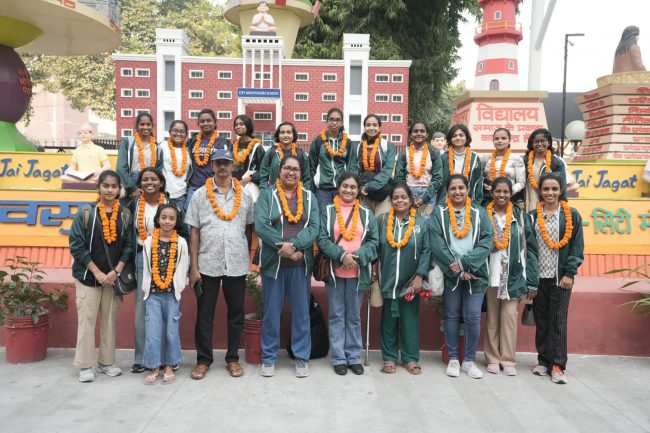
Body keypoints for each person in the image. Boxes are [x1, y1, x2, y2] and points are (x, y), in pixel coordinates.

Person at [185, 148, 255, 380]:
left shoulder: (245, 195)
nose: (223, 167)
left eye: (226, 162)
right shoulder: (199, 195)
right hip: (207, 263)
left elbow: (249, 228)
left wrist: (243, 253)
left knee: (236, 313)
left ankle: (233, 358)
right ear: (212, 166)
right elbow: (194, 231)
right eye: (218, 163)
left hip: (236, 263)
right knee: (205, 314)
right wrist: (193, 267)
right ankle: (203, 360)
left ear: (233, 166)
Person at [254, 155, 320, 378]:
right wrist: (285, 248)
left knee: (301, 313)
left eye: (296, 169)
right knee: (271, 313)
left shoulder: (309, 197)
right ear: (279, 170)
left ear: (301, 173)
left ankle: (301, 357)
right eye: (287, 168)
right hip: (274, 265)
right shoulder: (267, 195)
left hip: (300, 265)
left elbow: (314, 227)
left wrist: (295, 245)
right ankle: (269, 357)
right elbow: (261, 225)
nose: (291, 172)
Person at [68, 170, 135, 382]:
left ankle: (106, 362)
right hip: (88, 278)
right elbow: (76, 246)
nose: (110, 190)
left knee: (109, 321)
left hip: (112, 279)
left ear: (119, 189)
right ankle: (85, 365)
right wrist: (97, 272)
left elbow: (129, 246)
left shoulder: (125, 215)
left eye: (114, 186)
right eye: (105, 185)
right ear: (99, 187)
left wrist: (116, 271)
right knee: (86, 322)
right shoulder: (86, 213)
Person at [430, 174, 494, 379]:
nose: (457, 192)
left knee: (472, 316)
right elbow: (437, 244)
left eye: (461, 188)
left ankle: (469, 360)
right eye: (453, 188)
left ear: (468, 189)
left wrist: (466, 264)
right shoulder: (439, 213)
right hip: (451, 273)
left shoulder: (479, 212)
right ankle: (454, 359)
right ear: (447, 192)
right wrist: (457, 269)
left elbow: (487, 240)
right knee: (451, 315)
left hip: (476, 274)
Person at [317, 172, 378, 375]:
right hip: (334, 272)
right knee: (336, 315)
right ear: (338, 187)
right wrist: (342, 255)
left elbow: (374, 242)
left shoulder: (366, 213)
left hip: (357, 273)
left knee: (354, 317)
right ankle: (338, 358)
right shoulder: (327, 211)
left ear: (358, 190)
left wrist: (357, 256)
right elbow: (322, 238)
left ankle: (353, 357)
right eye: (345, 186)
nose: (348, 190)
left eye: (352, 187)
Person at [128, 168, 187, 374]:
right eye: (145, 179)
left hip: (169, 257)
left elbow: (183, 230)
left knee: (168, 312)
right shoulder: (134, 204)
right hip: (143, 257)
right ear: (140, 184)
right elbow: (128, 233)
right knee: (143, 309)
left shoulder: (171, 204)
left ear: (161, 182)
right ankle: (142, 358)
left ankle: (166, 358)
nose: (149, 183)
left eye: (154, 179)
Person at [530, 173, 584, 384]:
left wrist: (569, 273)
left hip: (560, 278)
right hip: (538, 277)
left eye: (554, 189)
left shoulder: (571, 215)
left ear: (561, 190)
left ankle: (558, 365)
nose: (550, 193)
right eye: (546, 189)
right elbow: (529, 248)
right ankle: (543, 361)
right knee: (542, 320)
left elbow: (577, 247)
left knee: (558, 321)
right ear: (540, 191)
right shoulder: (533, 216)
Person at [483, 177, 539, 376]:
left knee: (509, 318)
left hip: (513, 275)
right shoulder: (484, 215)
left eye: (505, 191)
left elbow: (531, 250)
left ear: (511, 193)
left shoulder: (521, 217)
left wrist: (532, 281)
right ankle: (492, 358)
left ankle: (507, 360)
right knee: (492, 319)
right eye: (498, 191)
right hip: (491, 274)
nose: (502, 195)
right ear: (492, 193)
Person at [376, 183, 431, 375]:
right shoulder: (382, 221)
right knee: (389, 320)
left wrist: (420, 275)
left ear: (411, 200)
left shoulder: (421, 223)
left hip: (411, 281)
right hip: (388, 278)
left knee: (409, 320)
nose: (399, 200)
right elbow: (374, 247)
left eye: (403, 197)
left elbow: (426, 251)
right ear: (391, 201)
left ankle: (410, 358)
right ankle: (389, 357)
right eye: (396, 197)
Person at [142, 204, 190, 385]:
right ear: (157, 219)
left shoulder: (181, 242)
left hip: (172, 295)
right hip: (153, 294)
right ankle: (154, 366)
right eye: (164, 217)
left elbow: (184, 266)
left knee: (171, 331)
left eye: (171, 218)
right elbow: (146, 268)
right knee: (152, 332)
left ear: (177, 221)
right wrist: (146, 289)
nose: (167, 221)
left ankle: (170, 365)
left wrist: (179, 287)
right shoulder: (148, 242)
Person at [349, 114, 397, 216]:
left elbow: (387, 171)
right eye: (368, 125)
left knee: (382, 223)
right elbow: (353, 169)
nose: (371, 128)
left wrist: (369, 186)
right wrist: (359, 187)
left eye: (375, 125)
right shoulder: (357, 147)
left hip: (382, 194)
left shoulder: (388, 146)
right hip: (364, 195)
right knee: (365, 222)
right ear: (364, 127)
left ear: (379, 127)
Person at [186, 109, 230, 210]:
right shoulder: (192, 141)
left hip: (215, 188)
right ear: (198, 123)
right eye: (202, 121)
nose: (205, 123)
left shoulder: (223, 142)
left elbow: (229, 165)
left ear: (215, 122)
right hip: (194, 187)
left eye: (209, 120)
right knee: (190, 218)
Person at [395, 121, 443, 215]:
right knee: (408, 222)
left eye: (422, 131)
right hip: (408, 193)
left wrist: (424, 198)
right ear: (411, 134)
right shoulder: (404, 153)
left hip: (428, 193)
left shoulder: (434, 153)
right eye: (415, 131)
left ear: (427, 134)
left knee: (426, 222)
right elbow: (398, 177)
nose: (419, 133)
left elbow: (438, 179)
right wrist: (407, 195)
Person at [309, 108, 352, 209]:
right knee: (324, 216)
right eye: (331, 119)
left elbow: (351, 166)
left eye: (338, 120)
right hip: (322, 190)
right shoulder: (318, 141)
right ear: (327, 121)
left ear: (342, 123)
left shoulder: (347, 142)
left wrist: (349, 186)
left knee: (341, 216)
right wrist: (312, 188)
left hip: (341, 189)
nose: (334, 122)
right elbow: (311, 166)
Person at [116, 113, 163, 203]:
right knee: (126, 211)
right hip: (128, 183)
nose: (145, 127)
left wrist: (151, 188)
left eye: (148, 124)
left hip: (148, 184)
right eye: (142, 124)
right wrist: (132, 188)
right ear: (137, 126)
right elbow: (121, 168)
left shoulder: (158, 148)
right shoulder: (127, 142)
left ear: (152, 126)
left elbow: (159, 171)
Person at [522, 128, 567, 212]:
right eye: (536, 141)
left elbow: (563, 185)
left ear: (549, 142)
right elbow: (519, 182)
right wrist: (519, 200)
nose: (539, 144)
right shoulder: (524, 161)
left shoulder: (557, 163)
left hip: (549, 201)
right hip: (528, 200)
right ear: (532, 144)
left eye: (543, 141)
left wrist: (563, 205)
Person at [438, 124, 483, 204]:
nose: (458, 138)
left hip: (468, 200)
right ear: (450, 139)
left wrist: (477, 202)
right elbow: (439, 181)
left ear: (467, 138)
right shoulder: (443, 158)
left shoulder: (474, 158)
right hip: (446, 200)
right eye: (454, 136)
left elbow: (478, 182)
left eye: (461, 135)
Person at [259, 121, 311, 190]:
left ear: (293, 135)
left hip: (296, 194)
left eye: (289, 132)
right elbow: (263, 176)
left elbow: (307, 178)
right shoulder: (271, 152)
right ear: (278, 135)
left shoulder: (300, 154)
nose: (285, 135)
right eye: (282, 132)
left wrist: (304, 192)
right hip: (274, 193)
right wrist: (264, 192)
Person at [481, 128, 526, 206]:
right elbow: (483, 178)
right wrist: (484, 184)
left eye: (503, 138)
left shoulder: (516, 159)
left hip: (510, 199)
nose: (499, 141)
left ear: (509, 140)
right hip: (489, 199)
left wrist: (506, 193)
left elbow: (521, 183)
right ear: (493, 141)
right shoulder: (486, 158)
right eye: (496, 139)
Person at [231, 114, 265, 202]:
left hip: (248, 187)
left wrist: (249, 178)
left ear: (248, 125)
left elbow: (263, 170)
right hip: (233, 187)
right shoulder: (233, 145)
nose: (238, 127)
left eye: (241, 124)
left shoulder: (257, 147)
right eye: (236, 125)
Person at [161, 120, 191, 211]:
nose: (178, 134)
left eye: (182, 131)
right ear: (170, 132)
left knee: (181, 219)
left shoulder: (189, 150)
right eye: (175, 130)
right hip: (164, 194)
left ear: (186, 134)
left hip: (182, 195)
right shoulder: (162, 147)